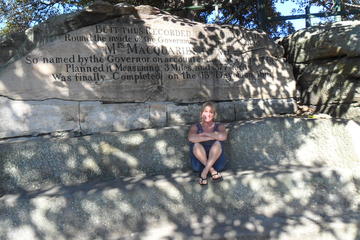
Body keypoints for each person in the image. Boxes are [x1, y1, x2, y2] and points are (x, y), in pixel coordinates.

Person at [188, 102, 228, 185]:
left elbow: (223, 137)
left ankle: (204, 173)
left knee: (217, 144)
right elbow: (191, 138)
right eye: (205, 111)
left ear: (214, 115)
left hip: (217, 163)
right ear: (201, 113)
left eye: (211, 112)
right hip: (198, 165)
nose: (208, 114)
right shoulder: (195, 127)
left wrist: (206, 134)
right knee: (196, 145)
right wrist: (214, 136)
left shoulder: (219, 126)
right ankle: (212, 171)